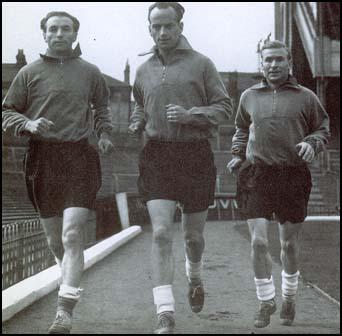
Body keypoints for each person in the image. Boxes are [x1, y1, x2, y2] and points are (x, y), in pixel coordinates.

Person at [2, 11, 114, 334]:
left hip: (79, 156)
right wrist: (28, 123)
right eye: (54, 29)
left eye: (66, 29)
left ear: (75, 34)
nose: (60, 34)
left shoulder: (91, 73)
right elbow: (7, 112)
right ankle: (69, 277)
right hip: (42, 158)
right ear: (44, 34)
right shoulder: (28, 73)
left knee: (72, 234)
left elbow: (102, 107)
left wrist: (104, 134)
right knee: (55, 241)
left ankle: (64, 313)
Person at [129, 2, 232, 333]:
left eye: (168, 26)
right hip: (157, 155)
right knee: (160, 233)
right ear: (149, 28)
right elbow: (140, 106)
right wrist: (137, 120)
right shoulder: (143, 69)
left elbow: (224, 108)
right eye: (155, 26)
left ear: (180, 27)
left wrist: (192, 115)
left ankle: (196, 276)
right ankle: (165, 311)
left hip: (195, 156)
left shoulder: (202, 64)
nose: (161, 32)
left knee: (192, 237)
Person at [227, 40, 330, 328]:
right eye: (268, 60)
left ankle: (289, 298)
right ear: (261, 63)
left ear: (289, 63)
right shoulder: (248, 96)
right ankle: (265, 301)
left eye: (279, 60)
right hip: (257, 175)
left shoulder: (306, 97)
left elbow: (323, 129)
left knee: (288, 245)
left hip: (293, 175)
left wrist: (312, 143)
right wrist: (237, 154)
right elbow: (241, 128)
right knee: (258, 242)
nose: (273, 65)